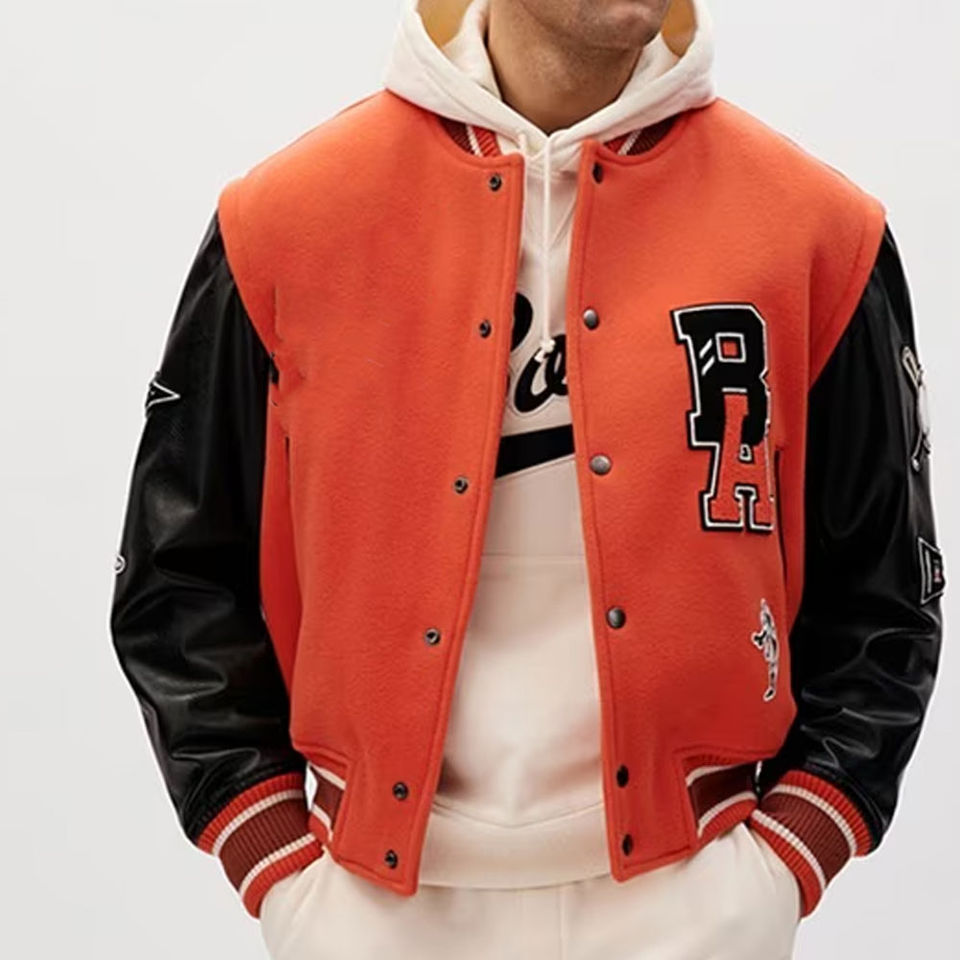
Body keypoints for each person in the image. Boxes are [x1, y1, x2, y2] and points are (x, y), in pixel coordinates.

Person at [109, 1, 945, 957]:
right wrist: (281, 871)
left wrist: (784, 862)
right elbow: (177, 579)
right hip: (376, 916)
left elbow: (886, 599)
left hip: (695, 904)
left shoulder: (816, 234)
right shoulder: (285, 224)